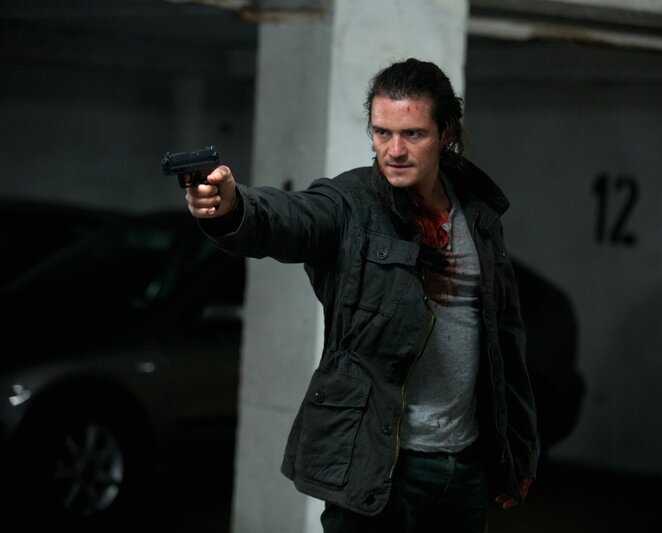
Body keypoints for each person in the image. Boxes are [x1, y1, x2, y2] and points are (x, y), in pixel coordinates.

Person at [183, 58, 539, 533]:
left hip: (463, 466)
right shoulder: (349, 203)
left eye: (413, 134)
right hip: (379, 466)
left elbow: (505, 339)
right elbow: (291, 218)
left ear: (447, 134)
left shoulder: (477, 215)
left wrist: (519, 448)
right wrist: (232, 207)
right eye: (381, 132)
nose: (394, 150)